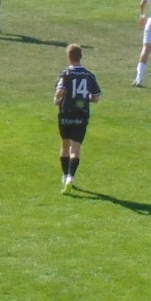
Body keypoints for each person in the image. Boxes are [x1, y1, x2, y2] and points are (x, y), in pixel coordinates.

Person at [55, 44, 102, 194]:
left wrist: (57, 100)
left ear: (68, 57)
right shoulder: (89, 75)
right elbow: (96, 98)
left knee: (64, 145)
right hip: (81, 115)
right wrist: (86, 98)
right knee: (75, 149)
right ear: (80, 56)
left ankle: (64, 175)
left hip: (66, 114)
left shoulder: (66, 74)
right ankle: (71, 177)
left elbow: (60, 91)